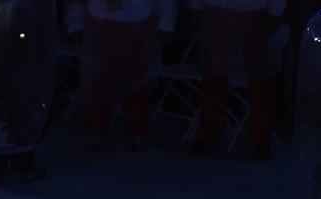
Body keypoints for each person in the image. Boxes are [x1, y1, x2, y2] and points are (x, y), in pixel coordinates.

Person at [66, 0, 179, 151]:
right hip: (98, 22)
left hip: (140, 22)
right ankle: (96, 130)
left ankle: (136, 131)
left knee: (139, 79)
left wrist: (166, 25)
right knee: (97, 80)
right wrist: (75, 24)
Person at [190, 0, 286, 159]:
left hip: (256, 17)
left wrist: (274, 14)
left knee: (260, 82)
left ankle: (260, 140)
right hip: (214, 14)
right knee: (213, 79)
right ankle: (209, 134)